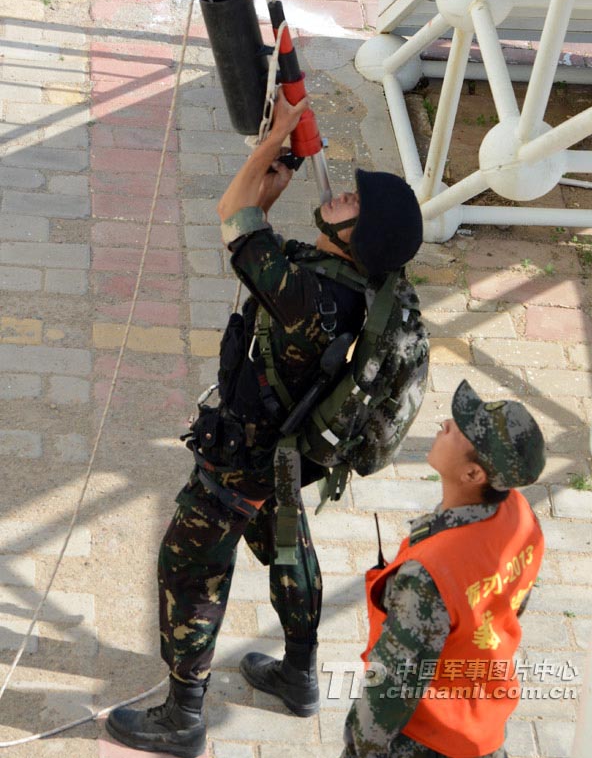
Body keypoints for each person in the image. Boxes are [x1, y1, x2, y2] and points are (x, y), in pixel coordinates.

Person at [105, 90, 425, 758]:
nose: (343, 195)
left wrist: (265, 146)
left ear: (357, 238)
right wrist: (270, 186)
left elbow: (231, 218)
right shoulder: (349, 291)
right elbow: (254, 238)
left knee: (189, 568)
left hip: (243, 454)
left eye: (355, 204)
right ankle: (299, 675)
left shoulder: (311, 298)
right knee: (282, 542)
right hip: (286, 453)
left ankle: (183, 715)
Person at [342, 379, 546, 758]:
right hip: (481, 722)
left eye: (461, 429)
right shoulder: (521, 518)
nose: (446, 425)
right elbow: (513, 606)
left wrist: (361, 747)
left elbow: (393, 687)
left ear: (474, 475)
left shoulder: (428, 574)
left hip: (427, 735)